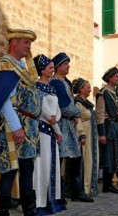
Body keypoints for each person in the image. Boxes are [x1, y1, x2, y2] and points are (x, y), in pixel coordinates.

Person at [0, 29, 40, 216]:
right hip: (11, 127)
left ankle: (29, 210)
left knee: (27, 168)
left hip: (29, 126)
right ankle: (3, 212)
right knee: (10, 170)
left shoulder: (21, 67)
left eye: (30, 43)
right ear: (14, 43)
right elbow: (3, 101)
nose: (29, 46)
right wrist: (17, 127)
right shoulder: (4, 66)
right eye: (26, 42)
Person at [50, 52, 94, 203]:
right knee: (60, 158)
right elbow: (64, 106)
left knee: (75, 157)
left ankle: (76, 191)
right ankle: (58, 193)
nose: (68, 66)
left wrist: (75, 114)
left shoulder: (66, 82)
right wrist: (77, 113)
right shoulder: (55, 82)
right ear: (58, 66)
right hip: (62, 124)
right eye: (66, 64)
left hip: (69, 124)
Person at [32, 54, 66, 215]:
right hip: (43, 130)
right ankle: (40, 201)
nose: (53, 70)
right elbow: (42, 109)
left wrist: (56, 120)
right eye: (51, 67)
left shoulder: (51, 88)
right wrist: (53, 124)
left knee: (53, 163)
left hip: (52, 129)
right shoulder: (36, 87)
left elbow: (56, 109)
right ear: (43, 70)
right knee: (42, 163)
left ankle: (53, 198)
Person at [95, 67, 118, 196]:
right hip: (110, 127)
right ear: (110, 78)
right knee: (111, 156)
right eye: (116, 76)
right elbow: (99, 113)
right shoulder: (103, 93)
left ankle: (108, 185)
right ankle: (117, 185)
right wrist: (102, 133)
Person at [72, 78, 99, 197]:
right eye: (87, 87)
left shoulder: (87, 104)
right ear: (81, 89)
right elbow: (77, 119)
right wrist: (81, 134)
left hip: (92, 135)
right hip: (85, 135)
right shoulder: (78, 103)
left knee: (92, 159)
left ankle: (91, 187)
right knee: (86, 160)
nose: (89, 89)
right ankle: (84, 188)